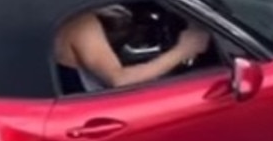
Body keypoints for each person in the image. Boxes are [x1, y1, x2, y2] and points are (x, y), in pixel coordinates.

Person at [55, 7, 210, 93]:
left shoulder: (58, 12)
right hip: (93, 109)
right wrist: (183, 51)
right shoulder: (81, 23)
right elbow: (119, 80)